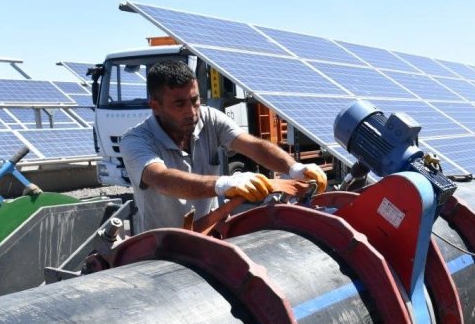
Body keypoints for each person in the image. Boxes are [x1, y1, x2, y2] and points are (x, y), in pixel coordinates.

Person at [120, 59, 327, 231]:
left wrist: (294, 168)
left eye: (195, 100)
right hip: (161, 249)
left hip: (211, 235)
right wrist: (223, 185)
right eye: (179, 104)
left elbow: (253, 145)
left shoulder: (209, 119)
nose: (191, 112)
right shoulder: (136, 140)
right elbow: (162, 179)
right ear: (155, 106)